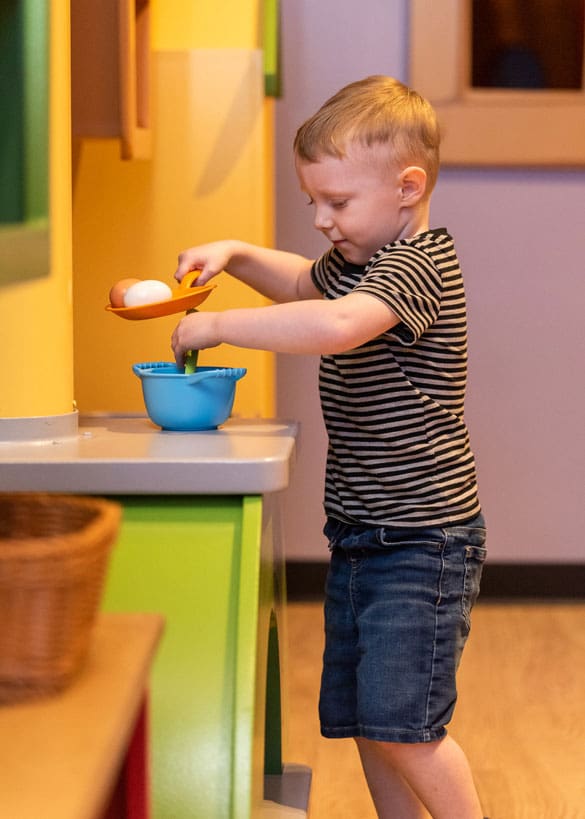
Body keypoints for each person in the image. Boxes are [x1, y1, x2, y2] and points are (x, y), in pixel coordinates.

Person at [171, 75, 487, 819]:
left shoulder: (416, 265)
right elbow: (300, 287)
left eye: (337, 203)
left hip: (422, 539)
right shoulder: (357, 265)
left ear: (408, 188)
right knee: (371, 723)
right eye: (313, 200)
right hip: (361, 532)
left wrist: (219, 327)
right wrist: (236, 252)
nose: (320, 220)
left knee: (407, 728)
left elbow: (335, 325)